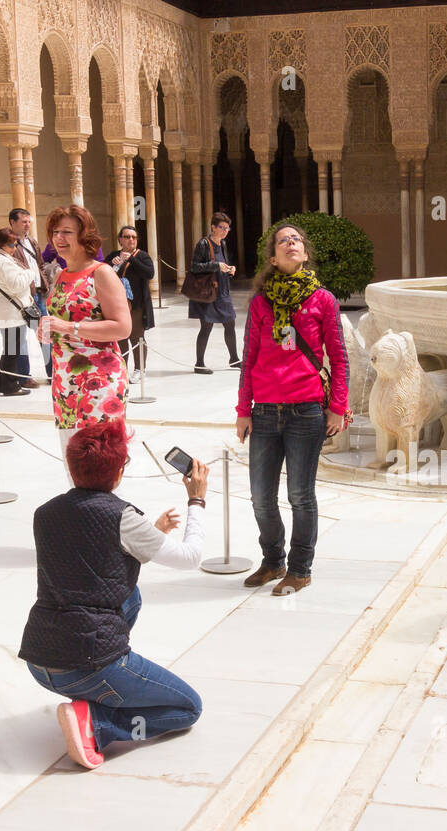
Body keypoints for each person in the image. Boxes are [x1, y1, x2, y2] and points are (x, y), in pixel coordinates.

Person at [19, 421, 209, 770]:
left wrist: (150, 534)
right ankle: (98, 723)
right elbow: (190, 557)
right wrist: (196, 499)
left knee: (130, 595)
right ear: (119, 471)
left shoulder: (44, 514)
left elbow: (92, 561)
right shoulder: (122, 517)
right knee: (188, 708)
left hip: (39, 658)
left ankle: (99, 688)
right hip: (85, 663)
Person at [236, 222, 348, 595]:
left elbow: (339, 356)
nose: (291, 243)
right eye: (283, 240)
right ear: (273, 256)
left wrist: (338, 406)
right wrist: (243, 409)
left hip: (306, 410)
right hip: (266, 410)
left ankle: (300, 568)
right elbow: (249, 356)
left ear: (304, 251)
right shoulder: (259, 302)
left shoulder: (322, 299)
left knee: (300, 495)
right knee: (260, 496)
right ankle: (273, 561)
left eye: (296, 239)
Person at [37, 205, 131, 459]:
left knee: (101, 463)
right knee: (74, 466)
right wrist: (48, 329)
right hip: (65, 382)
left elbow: (123, 327)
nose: (59, 238)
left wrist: (69, 327)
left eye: (67, 232)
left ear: (84, 236)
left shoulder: (101, 273)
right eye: (55, 232)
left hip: (99, 382)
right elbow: (61, 319)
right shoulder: (60, 276)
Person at [0, 228, 37, 397]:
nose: (14, 248)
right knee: (12, 350)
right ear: (0, 243)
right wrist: (30, 273)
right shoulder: (2, 261)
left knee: (10, 349)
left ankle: (2, 382)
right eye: (10, 244)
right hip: (11, 312)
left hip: (4, 309)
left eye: (15, 244)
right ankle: (10, 386)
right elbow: (16, 284)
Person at [189, 212, 239, 373]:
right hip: (208, 292)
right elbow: (195, 267)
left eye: (227, 228)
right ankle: (199, 364)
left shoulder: (222, 244)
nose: (225, 231)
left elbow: (223, 263)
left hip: (222, 290)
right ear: (213, 227)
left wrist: (230, 268)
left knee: (230, 323)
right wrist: (216, 265)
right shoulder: (204, 244)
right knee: (207, 326)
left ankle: (234, 359)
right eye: (221, 228)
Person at [107, 226, 155, 384]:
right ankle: (122, 368)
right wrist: (110, 264)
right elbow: (101, 274)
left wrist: (131, 259)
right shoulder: (114, 255)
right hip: (117, 306)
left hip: (137, 305)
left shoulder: (142, 256)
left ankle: (139, 370)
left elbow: (149, 274)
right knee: (120, 338)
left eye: (134, 237)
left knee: (137, 337)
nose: (131, 240)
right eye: (127, 237)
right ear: (120, 239)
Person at [8, 207, 47, 385]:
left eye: (28, 221)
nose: (27, 225)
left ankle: (53, 371)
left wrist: (44, 282)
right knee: (20, 337)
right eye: (23, 222)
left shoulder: (32, 241)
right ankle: (24, 376)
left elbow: (40, 264)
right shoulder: (9, 244)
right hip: (22, 296)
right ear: (12, 223)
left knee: (45, 333)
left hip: (38, 293)